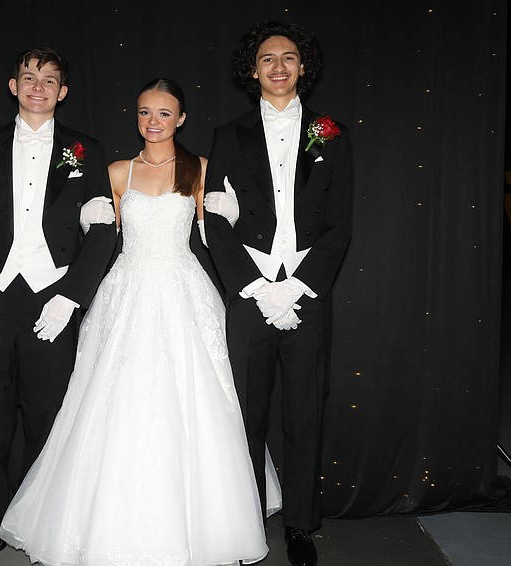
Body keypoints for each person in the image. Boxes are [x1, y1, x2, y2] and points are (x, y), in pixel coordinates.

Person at [0, 78, 281, 566]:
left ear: (181, 119)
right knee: (114, 397)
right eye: (145, 112)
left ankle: (204, 526)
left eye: (165, 113)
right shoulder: (116, 172)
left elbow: (216, 239)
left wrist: (230, 217)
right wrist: (85, 224)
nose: (154, 121)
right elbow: (92, 238)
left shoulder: (199, 169)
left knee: (195, 398)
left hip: (183, 291)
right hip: (126, 291)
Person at [0, 47, 117, 566]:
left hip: (52, 296)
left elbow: (102, 229)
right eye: (28, 77)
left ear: (62, 91)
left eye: (48, 80)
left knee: (48, 417)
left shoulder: (86, 150)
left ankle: (39, 525)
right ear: (13, 86)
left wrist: (71, 297)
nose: (37, 87)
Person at [203, 20, 354, 566]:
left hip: (306, 293)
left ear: (302, 66)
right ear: (253, 69)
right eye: (268, 58)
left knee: (305, 411)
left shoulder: (332, 133)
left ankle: (299, 526)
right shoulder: (229, 135)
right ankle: (244, 522)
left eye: (288, 57)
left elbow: (339, 223)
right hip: (250, 294)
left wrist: (299, 287)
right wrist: (255, 287)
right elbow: (214, 219)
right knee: (246, 412)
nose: (279, 66)